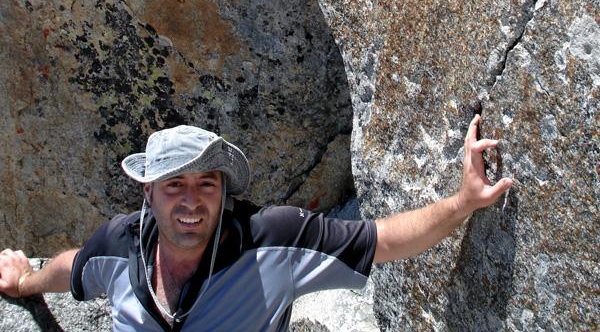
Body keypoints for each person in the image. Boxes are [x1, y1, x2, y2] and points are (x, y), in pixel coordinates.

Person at [0, 115, 512, 331]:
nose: (192, 202)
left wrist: (463, 202)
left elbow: (383, 240)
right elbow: (74, 270)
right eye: (174, 185)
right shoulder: (120, 243)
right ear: (149, 192)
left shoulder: (274, 240)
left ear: (224, 190)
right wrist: (25, 280)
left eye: (207, 183)